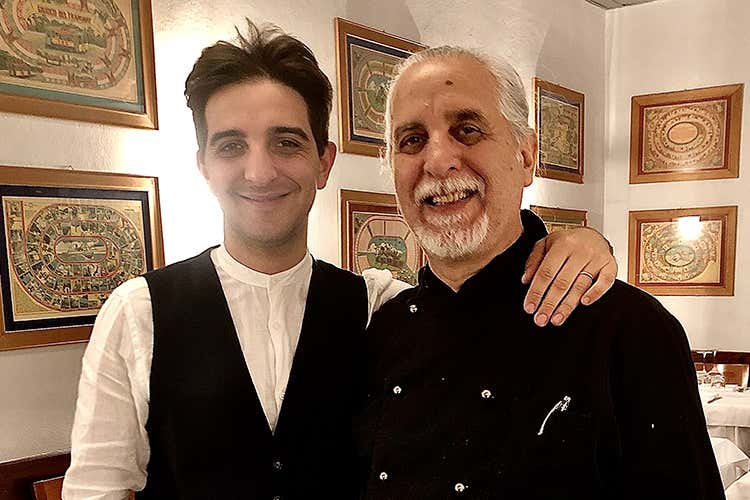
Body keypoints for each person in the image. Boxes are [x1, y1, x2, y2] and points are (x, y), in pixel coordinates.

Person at [62, 22, 618, 499]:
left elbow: (472, 304)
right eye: (231, 146)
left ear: (323, 162)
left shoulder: (378, 306)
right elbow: (97, 488)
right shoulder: (139, 313)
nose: (259, 171)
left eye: (286, 142)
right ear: (204, 166)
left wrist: (582, 244)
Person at [356, 47, 724, 499]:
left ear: (526, 156)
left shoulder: (630, 330)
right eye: (412, 140)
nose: (437, 161)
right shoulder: (379, 333)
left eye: (467, 130)